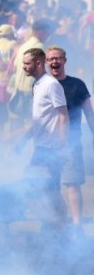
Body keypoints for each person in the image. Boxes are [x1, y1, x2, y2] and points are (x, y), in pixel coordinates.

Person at [46, 46, 93, 233]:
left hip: (71, 142)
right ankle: (58, 222)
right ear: (46, 62)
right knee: (49, 186)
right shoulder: (42, 85)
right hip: (47, 143)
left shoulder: (77, 84)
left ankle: (77, 225)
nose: (55, 62)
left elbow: (89, 112)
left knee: (72, 184)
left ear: (65, 60)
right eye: (51, 59)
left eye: (58, 58)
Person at [20, 47, 69, 224]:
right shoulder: (37, 85)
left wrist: (63, 147)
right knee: (47, 188)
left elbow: (63, 116)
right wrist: (23, 141)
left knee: (39, 185)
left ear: (38, 64)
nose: (24, 67)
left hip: (52, 148)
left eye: (27, 63)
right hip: (41, 146)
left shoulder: (51, 85)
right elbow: (39, 118)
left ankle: (61, 225)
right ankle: (56, 225)